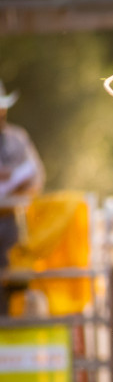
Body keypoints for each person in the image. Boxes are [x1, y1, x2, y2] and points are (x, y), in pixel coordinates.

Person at [0, 80, 45, 314]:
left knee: (16, 283)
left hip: (13, 226)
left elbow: (36, 177)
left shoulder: (18, 138)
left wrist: (18, 189)